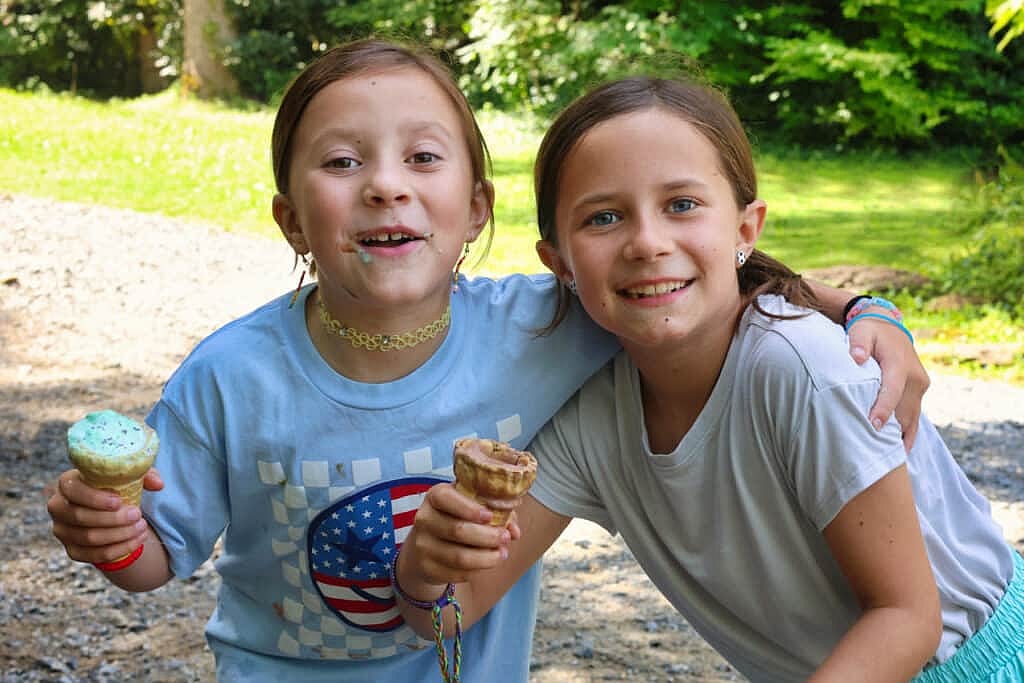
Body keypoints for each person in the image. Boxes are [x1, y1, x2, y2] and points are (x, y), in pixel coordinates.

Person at [47, 39, 925, 682]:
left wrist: (861, 309)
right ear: (291, 220)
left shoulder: (545, 323)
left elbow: (685, 282)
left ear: (475, 209)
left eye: (422, 157)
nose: (385, 183)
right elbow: (156, 557)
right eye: (343, 161)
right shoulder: (229, 376)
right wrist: (111, 536)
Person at [394, 73, 1024, 682]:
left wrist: (868, 306)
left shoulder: (804, 370)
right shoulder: (594, 417)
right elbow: (448, 614)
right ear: (559, 262)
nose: (647, 243)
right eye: (604, 218)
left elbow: (909, 619)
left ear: (745, 229)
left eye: (682, 205)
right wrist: (424, 568)